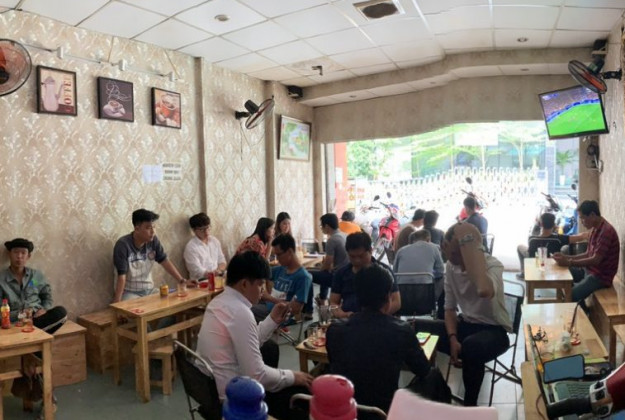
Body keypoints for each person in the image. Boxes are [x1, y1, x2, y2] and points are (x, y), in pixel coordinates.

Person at [196, 251, 313, 419]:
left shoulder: (218, 302)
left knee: (269, 348)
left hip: (209, 391)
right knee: (300, 395)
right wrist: (293, 376)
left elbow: (247, 341)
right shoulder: (239, 312)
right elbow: (257, 374)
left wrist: (272, 320)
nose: (263, 290)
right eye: (260, 284)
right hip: (231, 400)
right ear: (244, 284)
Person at [414, 222, 511, 406]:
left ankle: (470, 407)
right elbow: (449, 308)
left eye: (461, 254)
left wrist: (473, 259)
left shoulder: (492, 265)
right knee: (414, 328)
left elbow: (485, 290)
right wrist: (452, 338)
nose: (455, 258)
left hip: (494, 331)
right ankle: (431, 390)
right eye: (452, 253)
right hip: (465, 325)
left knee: (471, 347)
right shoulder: (450, 267)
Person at [326, 264, 431, 417]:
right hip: (383, 412)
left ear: (358, 297)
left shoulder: (335, 330)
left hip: (345, 409)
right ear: (388, 297)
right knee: (433, 377)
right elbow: (423, 369)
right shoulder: (401, 330)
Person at [113, 209, 192, 302]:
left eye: (154, 227)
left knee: (172, 303)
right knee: (131, 310)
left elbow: (165, 261)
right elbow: (121, 276)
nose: (153, 231)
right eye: (148, 228)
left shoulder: (153, 240)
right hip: (130, 292)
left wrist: (182, 281)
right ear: (137, 229)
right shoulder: (123, 245)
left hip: (150, 290)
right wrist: (117, 302)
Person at [553, 200, 620, 302]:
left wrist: (569, 262)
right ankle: (581, 305)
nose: (581, 221)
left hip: (601, 277)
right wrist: (565, 257)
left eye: (582, 218)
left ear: (592, 215)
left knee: (569, 295)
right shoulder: (595, 229)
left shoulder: (606, 232)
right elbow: (588, 253)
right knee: (562, 271)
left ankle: (576, 304)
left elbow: (595, 260)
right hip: (590, 271)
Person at [0, 238, 67, 333]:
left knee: (61, 312)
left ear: (28, 256)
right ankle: (33, 334)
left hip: (37, 319)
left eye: (23, 253)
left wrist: (44, 309)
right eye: (16, 252)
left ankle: (29, 334)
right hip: (12, 323)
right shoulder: (1, 279)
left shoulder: (35, 276)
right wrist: (21, 315)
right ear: (9, 254)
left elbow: (47, 297)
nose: (19, 256)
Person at [330, 232, 401, 319]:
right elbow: (333, 302)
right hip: (349, 320)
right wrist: (342, 314)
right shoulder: (341, 273)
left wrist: (373, 316)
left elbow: (396, 302)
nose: (357, 260)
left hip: (379, 320)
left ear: (370, 250)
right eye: (352, 256)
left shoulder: (384, 272)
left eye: (361, 256)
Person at [253, 234, 312, 321]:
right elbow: (259, 275)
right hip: (268, 307)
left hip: (279, 315)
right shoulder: (281, 269)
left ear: (289, 252)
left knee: (246, 311)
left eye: (278, 255)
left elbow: (296, 309)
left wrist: (270, 298)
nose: (277, 259)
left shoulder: (303, 277)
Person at [393, 229, 445, 319]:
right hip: (425, 298)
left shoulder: (401, 250)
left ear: (413, 240)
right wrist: (428, 274)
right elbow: (440, 271)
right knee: (444, 278)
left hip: (403, 298)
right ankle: (441, 315)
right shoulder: (433, 248)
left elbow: (395, 272)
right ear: (428, 239)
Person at [305, 213, 348, 316]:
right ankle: (322, 299)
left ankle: (308, 310)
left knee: (306, 274)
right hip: (347, 274)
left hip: (337, 278)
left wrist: (322, 268)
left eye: (321, 226)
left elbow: (327, 263)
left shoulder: (332, 240)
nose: (321, 228)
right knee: (325, 272)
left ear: (327, 226)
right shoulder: (345, 235)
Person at [516, 212, 570, 279]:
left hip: (535, 263)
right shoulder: (559, 239)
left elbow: (530, 251)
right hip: (552, 263)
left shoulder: (532, 239)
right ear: (554, 225)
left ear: (541, 224)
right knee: (566, 248)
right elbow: (578, 237)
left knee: (519, 247)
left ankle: (524, 273)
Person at [183, 212, 226, 281]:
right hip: (201, 281)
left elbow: (222, 261)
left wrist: (219, 270)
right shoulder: (191, 247)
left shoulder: (214, 241)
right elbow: (196, 271)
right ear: (194, 230)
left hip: (217, 278)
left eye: (207, 228)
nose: (206, 232)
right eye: (201, 229)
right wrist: (212, 274)